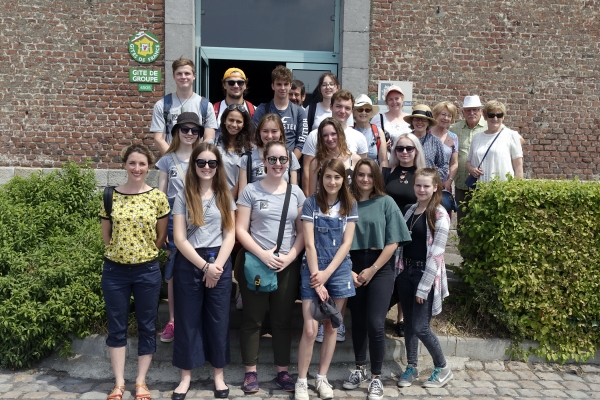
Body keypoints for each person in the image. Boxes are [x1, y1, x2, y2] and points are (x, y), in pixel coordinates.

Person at [100, 144, 170, 400]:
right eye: (132, 163)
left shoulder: (157, 198)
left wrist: (143, 253)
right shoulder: (110, 195)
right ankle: (118, 383)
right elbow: (106, 236)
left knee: (147, 325)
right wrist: (121, 254)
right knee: (117, 327)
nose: (137, 168)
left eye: (142, 164)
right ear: (124, 164)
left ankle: (141, 382)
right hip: (115, 271)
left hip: (147, 271)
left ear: (149, 166)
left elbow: (161, 237)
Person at [235, 141, 306, 393]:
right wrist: (262, 254)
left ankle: (282, 372)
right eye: (272, 159)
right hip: (256, 263)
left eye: (282, 160)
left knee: (282, 319)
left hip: (286, 264)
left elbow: (301, 232)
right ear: (263, 161)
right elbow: (240, 229)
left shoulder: (296, 193)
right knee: (252, 319)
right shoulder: (251, 191)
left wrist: (289, 257)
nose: (278, 164)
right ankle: (250, 372)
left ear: (289, 162)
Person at [170, 143, 236, 400]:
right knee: (188, 320)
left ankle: (218, 375)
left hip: (219, 258)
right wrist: (205, 267)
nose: (207, 167)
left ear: (218, 167)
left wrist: (216, 267)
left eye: (212, 163)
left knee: (218, 320)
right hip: (191, 262)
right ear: (194, 165)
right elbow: (179, 238)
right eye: (201, 163)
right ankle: (185, 377)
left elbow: (229, 234)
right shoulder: (183, 196)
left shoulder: (225, 196)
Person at [343, 158, 411, 400]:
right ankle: (360, 368)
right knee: (358, 320)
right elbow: (339, 242)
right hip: (351, 265)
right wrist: (349, 269)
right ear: (354, 177)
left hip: (380, 267)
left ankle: (376, 377)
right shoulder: (346, 204)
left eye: (370, 175)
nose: (365, 179)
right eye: (360, 174)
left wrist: (372, 269)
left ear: (376, 178)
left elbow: (393, 242)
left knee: (375, 322)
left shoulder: (386, 202)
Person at [294, 159, 357, 400]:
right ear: (321, 178)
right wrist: (317, 280)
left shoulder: (350, 205)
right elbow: (309, 244)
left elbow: (347, 243)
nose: (332, 182)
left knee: (332, 327)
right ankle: (301, 380)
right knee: (310, 329)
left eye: (337, 177)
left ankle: (321, 377)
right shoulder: (311, 204)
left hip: (339, 270)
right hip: (312, 268)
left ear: (343, 180)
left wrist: (327, 276)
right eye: (328, 177)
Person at [396, 168, 452, 389]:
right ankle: (411, 366)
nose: (421, 189)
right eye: (418, 185)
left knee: (421, 327)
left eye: (426, 186)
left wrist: (424, 287)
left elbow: (437, 253)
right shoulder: (410, 211)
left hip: (424, 275)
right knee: (409, 323)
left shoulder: (440, 214)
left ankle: (443, 367)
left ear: (435, 187)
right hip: (405, 272)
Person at [156, 112, 203, 344]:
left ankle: (197, 319)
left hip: (199, 214)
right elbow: (161, 196)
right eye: (185, 129)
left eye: (195, 130)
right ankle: (173, 320)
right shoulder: (167, 159)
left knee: (200, 263)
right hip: (174, 215)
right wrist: (161, 228)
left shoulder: (203, 157)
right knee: (175, 268)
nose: (190, 134)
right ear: (177, 131)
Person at [384, 133, 426, 337]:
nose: (404, 152)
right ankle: (383, 309)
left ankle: (401, 318)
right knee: (388, 271)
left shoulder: (421, 173)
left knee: (403, 273)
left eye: (409, 148)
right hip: (387, 228)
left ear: (416, 150)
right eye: (400, 148)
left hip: (410, 230)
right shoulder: (388, 170)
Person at [302, 90, 368, 196]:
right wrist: (308, 201)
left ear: (352, 111)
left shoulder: (360, 138)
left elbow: (362, 174)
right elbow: (307, 172)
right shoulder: (314, 135)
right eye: (339, 106)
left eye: (347, 108)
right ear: (331, 107)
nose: (342, 111)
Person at [151, 57, 218, 154]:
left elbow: (209, 138)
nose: (183, 77)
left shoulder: (206, 105)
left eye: (187, 73)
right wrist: (173, 160)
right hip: (172, 161)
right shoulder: (162, 105)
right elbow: (159, 139)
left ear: (194, 76)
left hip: (197, 162)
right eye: (179, 74)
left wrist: (196, 160)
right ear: (173, 76)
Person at [252, 65, 308, 161]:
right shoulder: (262, 109)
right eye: (279, 84)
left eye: (286, 84)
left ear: (290, 86)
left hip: (290, 165)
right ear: (272, 86)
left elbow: (302, 142)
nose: (282, 88)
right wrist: (267, 161)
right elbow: (255, 137)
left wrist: (288, 163)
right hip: (265, 163)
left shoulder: (299, 112)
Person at [237, 114, 300, 195]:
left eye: (274, 131)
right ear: (259, 132)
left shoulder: (290, 156)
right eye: (265, 131)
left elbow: (294, 191)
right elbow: (242, 193)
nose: (269, 136)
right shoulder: (247, 158)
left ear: (281, 132)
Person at [466, 100, 524, 184]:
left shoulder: (511, 135)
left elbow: (518, 166)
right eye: (491, 115)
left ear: (503, 117)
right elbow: (468, 162)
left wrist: (517, 188)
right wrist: (471, 169)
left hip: (503, 189)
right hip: (480, 189)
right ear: (485, 117)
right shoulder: (476, 138)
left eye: (499, 115)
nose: (495, 118)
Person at [211, 104, 255, 199]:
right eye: (231, 120)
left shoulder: (251, 149)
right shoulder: (212, 145)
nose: (234, 125)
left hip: (241, 200)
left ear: (244, 124)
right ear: (224, 121)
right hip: (215, 199)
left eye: (238, 121)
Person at [308, 117, 362, 195]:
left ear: (340, 134)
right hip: (324, 206)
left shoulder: (355, 159)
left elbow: (361, 192)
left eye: (333, 134)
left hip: (350, 206)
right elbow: (312, 195)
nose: (330, 138)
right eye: (325, 135)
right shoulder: (316, 162)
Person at [403, 104, 448, 180]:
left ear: (428, 122)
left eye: (424, 119)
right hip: (406, 182)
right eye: (416, 119)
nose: (420, 122)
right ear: (412, 121)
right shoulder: (404, 139)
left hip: (427, 186)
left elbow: (443, 166)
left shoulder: (436, 141)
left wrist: (431, 178)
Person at [431, 102, 459, 215]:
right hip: (426, 182)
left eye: (449, 115)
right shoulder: (427, 134)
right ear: (436, 114)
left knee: (443, 216)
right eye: (443, 114)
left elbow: (454, 163)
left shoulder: (453, 137)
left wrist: (449, 181)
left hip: (444, 184)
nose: (446, 118)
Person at [213, 68, 256, 138]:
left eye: (240, 82)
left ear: (245, 85)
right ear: (224, 85)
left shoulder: (254, 110)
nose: (236, 86)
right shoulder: (213, 110)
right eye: (231, 82)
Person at [371, 85, 411, 154]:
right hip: (387, 161)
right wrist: (381, 147)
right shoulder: (379, 118)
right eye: (390, 99)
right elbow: (370, 142)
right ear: (387, 102)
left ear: (402, 99)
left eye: (397, 98)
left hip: (407, 161)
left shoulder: (410, 119)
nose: (394, 102)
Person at [352, 94, 388, 166]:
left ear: (371, 113)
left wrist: (382, 177)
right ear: (354, 113)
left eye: (367, 110)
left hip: (374, 175)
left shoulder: (378, 132)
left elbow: (383, 160)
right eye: (360, 109)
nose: (364, 112)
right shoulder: (349, 131)